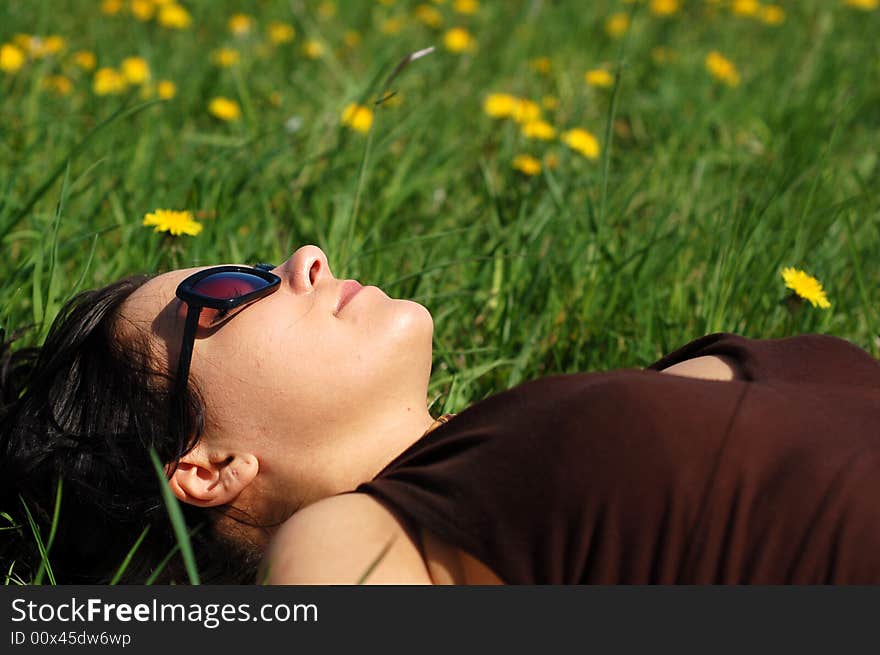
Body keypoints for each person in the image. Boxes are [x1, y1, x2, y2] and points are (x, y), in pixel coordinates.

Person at [1, 245, 878, 584]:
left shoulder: (544, 435)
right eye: (229, 291)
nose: (305, 256)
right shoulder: (343, 549)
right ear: (204, 465)